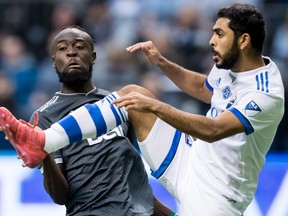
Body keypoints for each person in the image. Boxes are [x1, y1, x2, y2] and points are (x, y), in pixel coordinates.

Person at [0, 3, 285, 216]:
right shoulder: (229, 63)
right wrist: (161, 62)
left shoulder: (265, 93)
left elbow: (213, 130)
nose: (211, 40)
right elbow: (204, 89)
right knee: (133, 95)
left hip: (218, 193)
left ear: (243, 40)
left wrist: (157, 106)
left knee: (142, 101)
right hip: (189, 157)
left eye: (219, 34)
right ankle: (41, 140)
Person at [1, 26, 174, 216]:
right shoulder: (44, 116)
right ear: (53, 62)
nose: (72, 52)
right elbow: (60, 196)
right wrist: (44, 153)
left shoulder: (117, 104)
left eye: (79, 47)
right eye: (62, 48)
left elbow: (136, 181)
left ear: (93, 57)